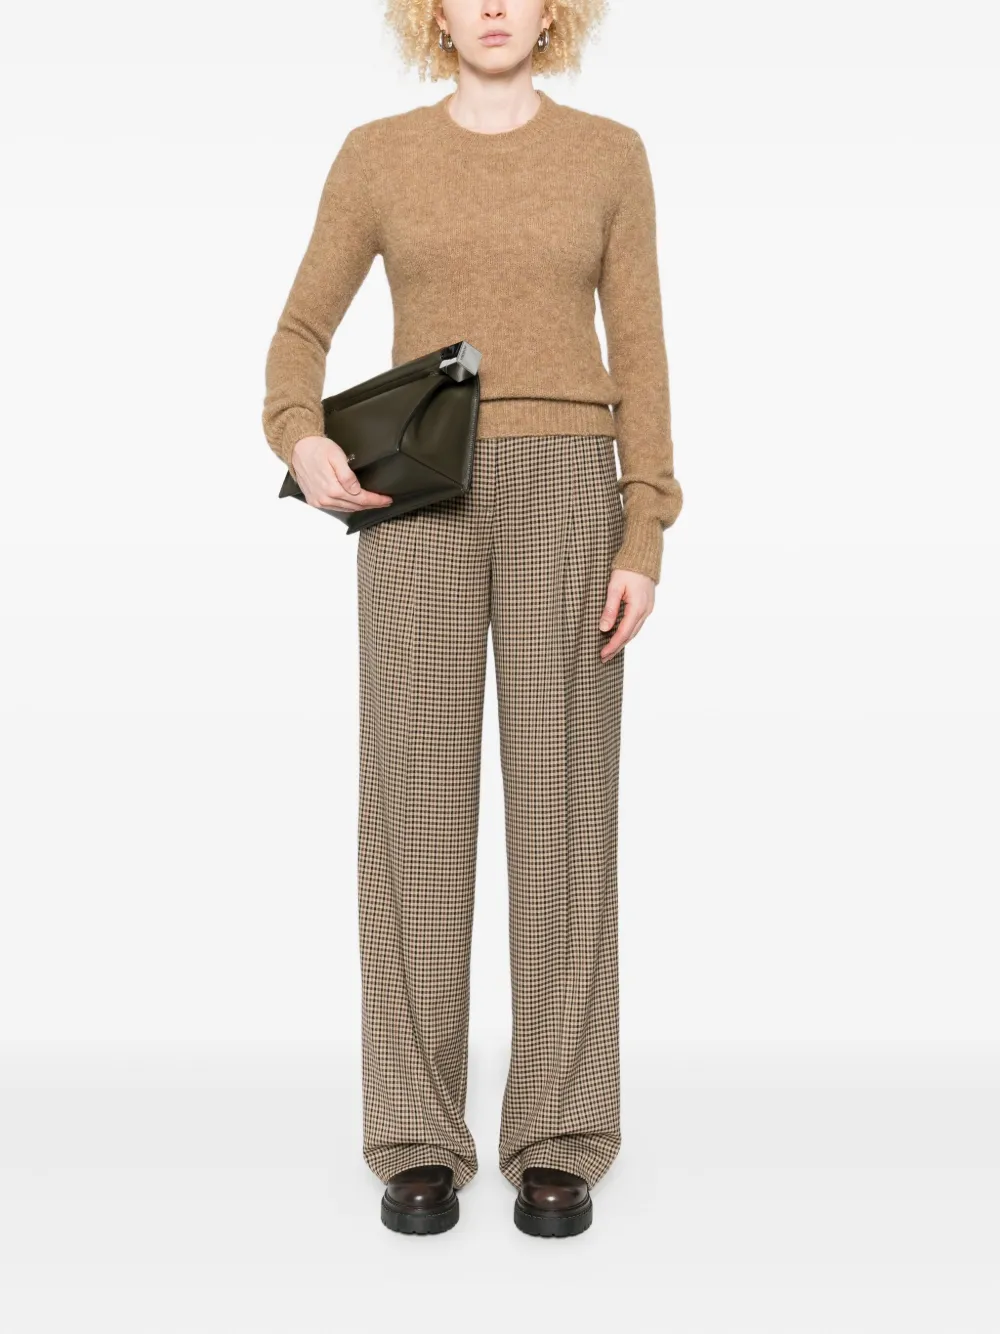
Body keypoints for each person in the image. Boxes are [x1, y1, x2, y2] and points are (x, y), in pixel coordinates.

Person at [261, 0, 683, 1239]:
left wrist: (644, 529)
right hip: (419, 495)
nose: (492, 4)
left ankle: (559, 1129)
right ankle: (415, 1133)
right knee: (414, 812)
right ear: (430, 12)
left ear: (554, 9)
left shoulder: (609, 154)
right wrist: (299, 433)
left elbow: (642, 352)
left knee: (565, 813)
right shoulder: (377, 154)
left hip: (569, 488)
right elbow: (299, 332)